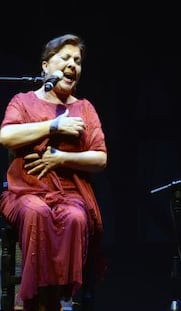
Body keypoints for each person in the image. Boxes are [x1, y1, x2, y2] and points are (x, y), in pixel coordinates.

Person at [0, 33, 107, 311]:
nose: (73, 65)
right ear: (46, 65)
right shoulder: (23, 101)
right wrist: (54, 126)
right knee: (37, 212)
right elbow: (6, 136)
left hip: (70, 196)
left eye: (78, 61)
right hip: (26, 192)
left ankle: (63, 300)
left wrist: (61, 158)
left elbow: (100, 158)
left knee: (74, 217)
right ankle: (30, 301)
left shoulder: (84, 108)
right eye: (66, 58)